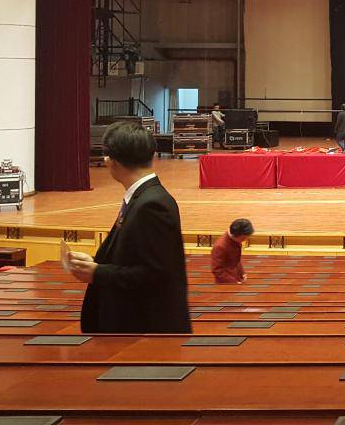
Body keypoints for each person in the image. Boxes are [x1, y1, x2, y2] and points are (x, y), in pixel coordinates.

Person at [66, 121, 191, 334]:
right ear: (153, 155)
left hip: (144, 333)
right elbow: (136, 258)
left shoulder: (152, 205)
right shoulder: (143, 198)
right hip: (137, 329)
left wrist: (97, 273)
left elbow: (155, 275)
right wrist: (95, 263)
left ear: (110, 161)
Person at [210, 218, 254, 284]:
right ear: (235, 235)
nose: (244, 240)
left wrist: (242, 273)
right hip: (225, 283)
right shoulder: (220, 246)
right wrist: (233, 282)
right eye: (243, 238)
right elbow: (217, 270)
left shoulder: (235, 239)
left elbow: (236, 260)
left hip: (236, 279)